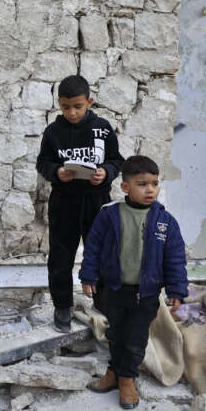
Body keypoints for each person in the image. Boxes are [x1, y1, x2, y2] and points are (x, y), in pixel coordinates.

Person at [78, 155, 188, 410]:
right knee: (115, 334)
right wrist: (88, 276)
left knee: (135, 338)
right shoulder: (110, 215)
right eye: (142, 184)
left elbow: (174, 259)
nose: (150, 189)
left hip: (146, 294)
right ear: (125, 187)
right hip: (113, 289)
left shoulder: (165, 221)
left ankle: (127, 380)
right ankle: (113, 374)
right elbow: (93, 248)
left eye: (154, 183)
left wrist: (176, 290)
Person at [35, 74, 124, 331]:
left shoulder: (103, 128)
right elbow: (43, 162)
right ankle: (63, 306)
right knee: (61, 256)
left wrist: (106, 172)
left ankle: (104, 302)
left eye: (78, 106)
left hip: (97, 202)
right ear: (59, 105)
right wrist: (57, 173)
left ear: (89, 102)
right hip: (64, 202)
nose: (71, 113)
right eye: (65, 107)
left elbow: (117, 160)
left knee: (103, 252)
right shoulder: (53, 132)